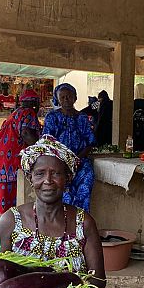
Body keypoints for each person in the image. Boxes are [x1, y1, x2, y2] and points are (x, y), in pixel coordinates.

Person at [0, 135, 106, 288]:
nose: (48, 180)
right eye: (40, 173)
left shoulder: (84, 223)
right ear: (30, 178)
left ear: (67, 179)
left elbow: (98, 282)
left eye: (56, 173)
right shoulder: (12, 221)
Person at [42, 83, 96, 211]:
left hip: (80, 162)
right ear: (58, 99)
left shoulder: (82, 118)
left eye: (69, 96)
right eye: (63, 97)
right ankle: (64, 225)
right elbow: (46, 142)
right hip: (58, 163)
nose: (66, 100)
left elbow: (90, 142)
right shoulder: (52, 117)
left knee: (85, 187)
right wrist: (63, 161)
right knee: (64, 194)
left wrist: (76, 160)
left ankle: (81, 223)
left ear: (75, 98)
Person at [0, 89, 42, 213]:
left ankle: (3, 225)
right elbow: (26, 133)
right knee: (10, 199)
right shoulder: (28, 112)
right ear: (35, 103)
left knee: (2, 198)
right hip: (8, 158)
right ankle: (7, 227)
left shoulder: (15, 113)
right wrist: (41, 147)